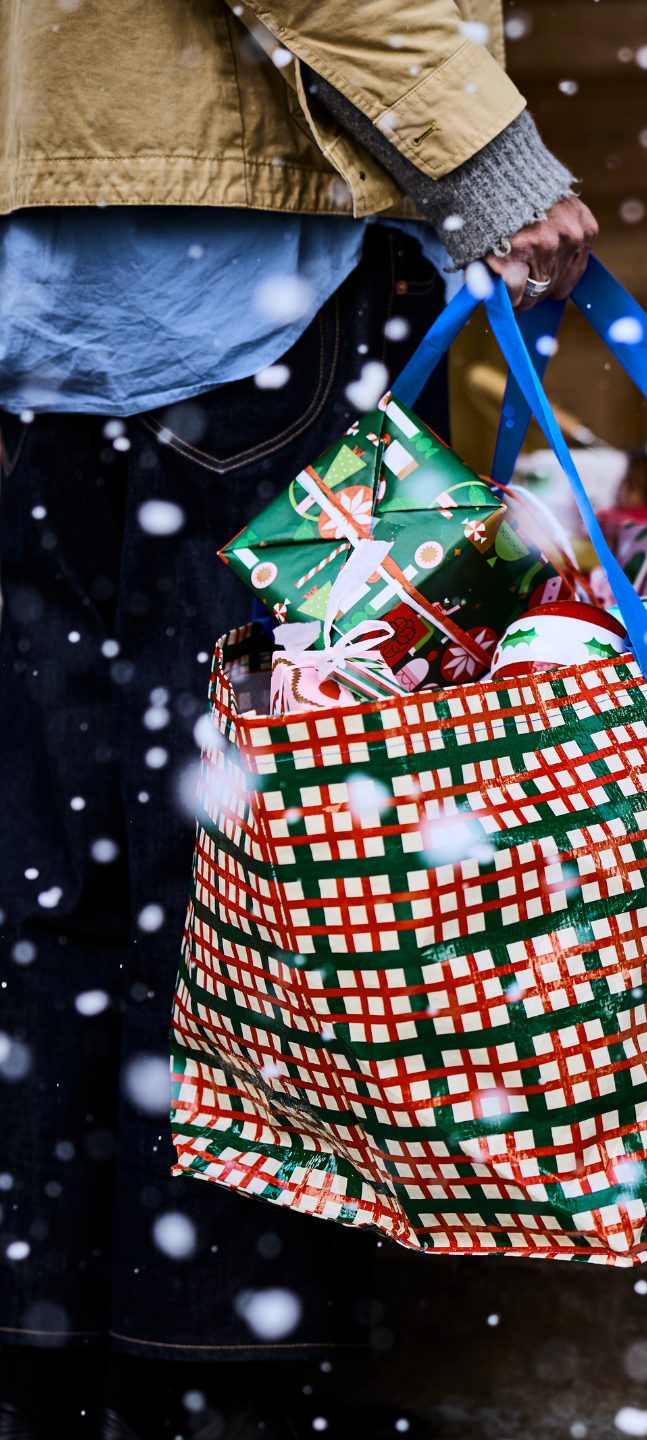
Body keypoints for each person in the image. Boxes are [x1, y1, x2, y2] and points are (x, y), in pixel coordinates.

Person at [0, 2, 597, 1435]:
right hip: (248, 287)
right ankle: (213, 1376)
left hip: (46, 276)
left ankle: (48, 1355)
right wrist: (493, 160)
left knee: (51, 865)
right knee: (276, 865)